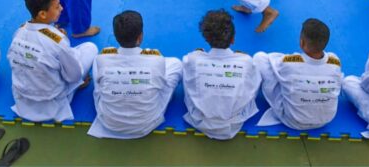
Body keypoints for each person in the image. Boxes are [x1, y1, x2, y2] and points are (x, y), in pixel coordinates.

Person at [8, 0, 97, 122]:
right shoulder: (57, 40)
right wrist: (62, 40)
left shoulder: (18, 33)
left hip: (23, 99)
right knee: (90, 48)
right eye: (57, 7)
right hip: (52, 100)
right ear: (42, 14)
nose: (61, 8)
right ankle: (76, 88)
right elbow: (73, 76)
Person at [88, 10, 183, 139]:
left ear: (116, 37)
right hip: (146, 123)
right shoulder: (156, 58)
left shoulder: (103, 57)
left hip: (109, 122)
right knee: (176, 63)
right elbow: (161, 86)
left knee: (97, 64)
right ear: (140, 36)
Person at [182, 10, 262, 140]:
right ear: (233, 39)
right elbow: (254, 84)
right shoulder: (246, 61)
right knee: (253, 77)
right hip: (236, 121)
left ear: (206, 38)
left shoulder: (192, 59)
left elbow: (187, 67)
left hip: (200, 120)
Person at [253, 18, 342, 130]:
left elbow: (271, 61)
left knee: (260, 57)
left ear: (302, 42)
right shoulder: (335, 62)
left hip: (292, 120)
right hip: (325, 120)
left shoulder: (289, 62)